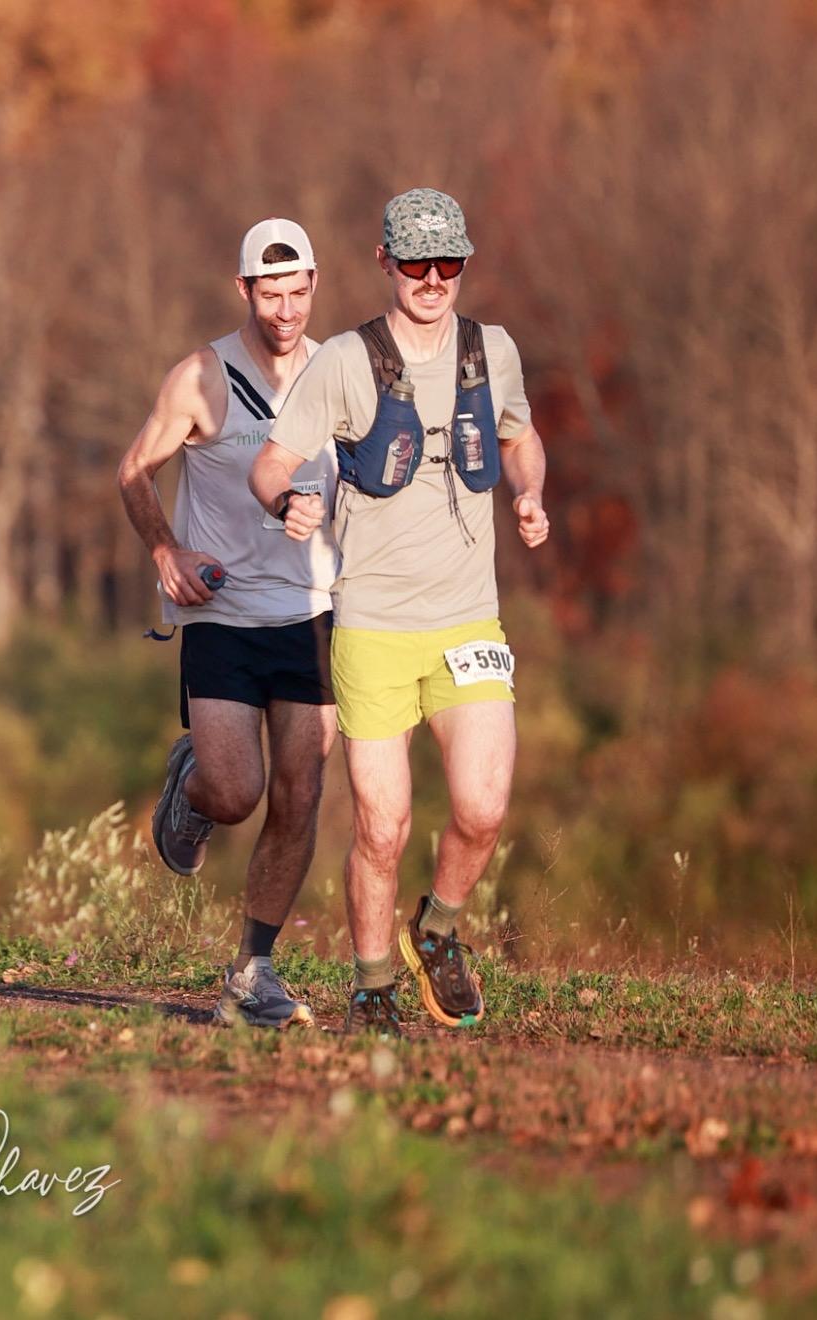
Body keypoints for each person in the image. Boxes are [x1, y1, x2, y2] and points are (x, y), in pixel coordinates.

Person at [251, 188, 549, 1034]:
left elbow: (520, 436)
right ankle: (373, 985)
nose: (432, 279)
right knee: (382, 828)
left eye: (447, 261)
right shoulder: (346, 361)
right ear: (385, 261)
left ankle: (440, 930)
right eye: (416, 262)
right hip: (374, 627)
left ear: (464, 262)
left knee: (483, 808)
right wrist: (288, 505)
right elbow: (270, 465)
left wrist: (528, 492)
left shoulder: (493, 351)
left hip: (469, 621)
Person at [117, 219, 338, 1029]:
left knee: (302, 791)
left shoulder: (339, 373)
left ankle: (254, 972)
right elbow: (133, 471)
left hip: (314, 614)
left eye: (298, 292)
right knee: (238, 792)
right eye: (270, 294)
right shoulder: (202, 378)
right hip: (224, 614)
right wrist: (166, 550)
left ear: (315, 284)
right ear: (243, 289)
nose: (286, 310)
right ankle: (194, 783)